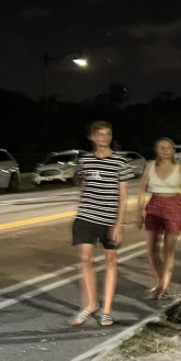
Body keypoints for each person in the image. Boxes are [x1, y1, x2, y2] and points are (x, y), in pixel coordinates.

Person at [69, 121, 134, 327]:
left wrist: (119, 224)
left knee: (110, 262)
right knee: (86, 259)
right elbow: (83, 185)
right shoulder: (85, 160)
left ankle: (106, 311)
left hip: (110, 219)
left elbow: (123, 196)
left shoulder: (120, 161)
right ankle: (89, 304)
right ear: (92, 137)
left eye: (108, 134)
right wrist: (84, 206)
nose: (104, 137)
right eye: (100, 134)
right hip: (87, 216)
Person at [137, 137, 181, 300]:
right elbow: (142, 189)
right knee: (151, 249)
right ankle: (159, 280)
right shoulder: (150, 166)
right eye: (162, 147)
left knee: (168, 249)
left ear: (173, 150)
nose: (165, 150)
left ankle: (164, 286)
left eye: (168, 148)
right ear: (157, 150)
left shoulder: (179, 168)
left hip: (175, 205)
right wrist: (139, 211)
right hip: (154, 205)